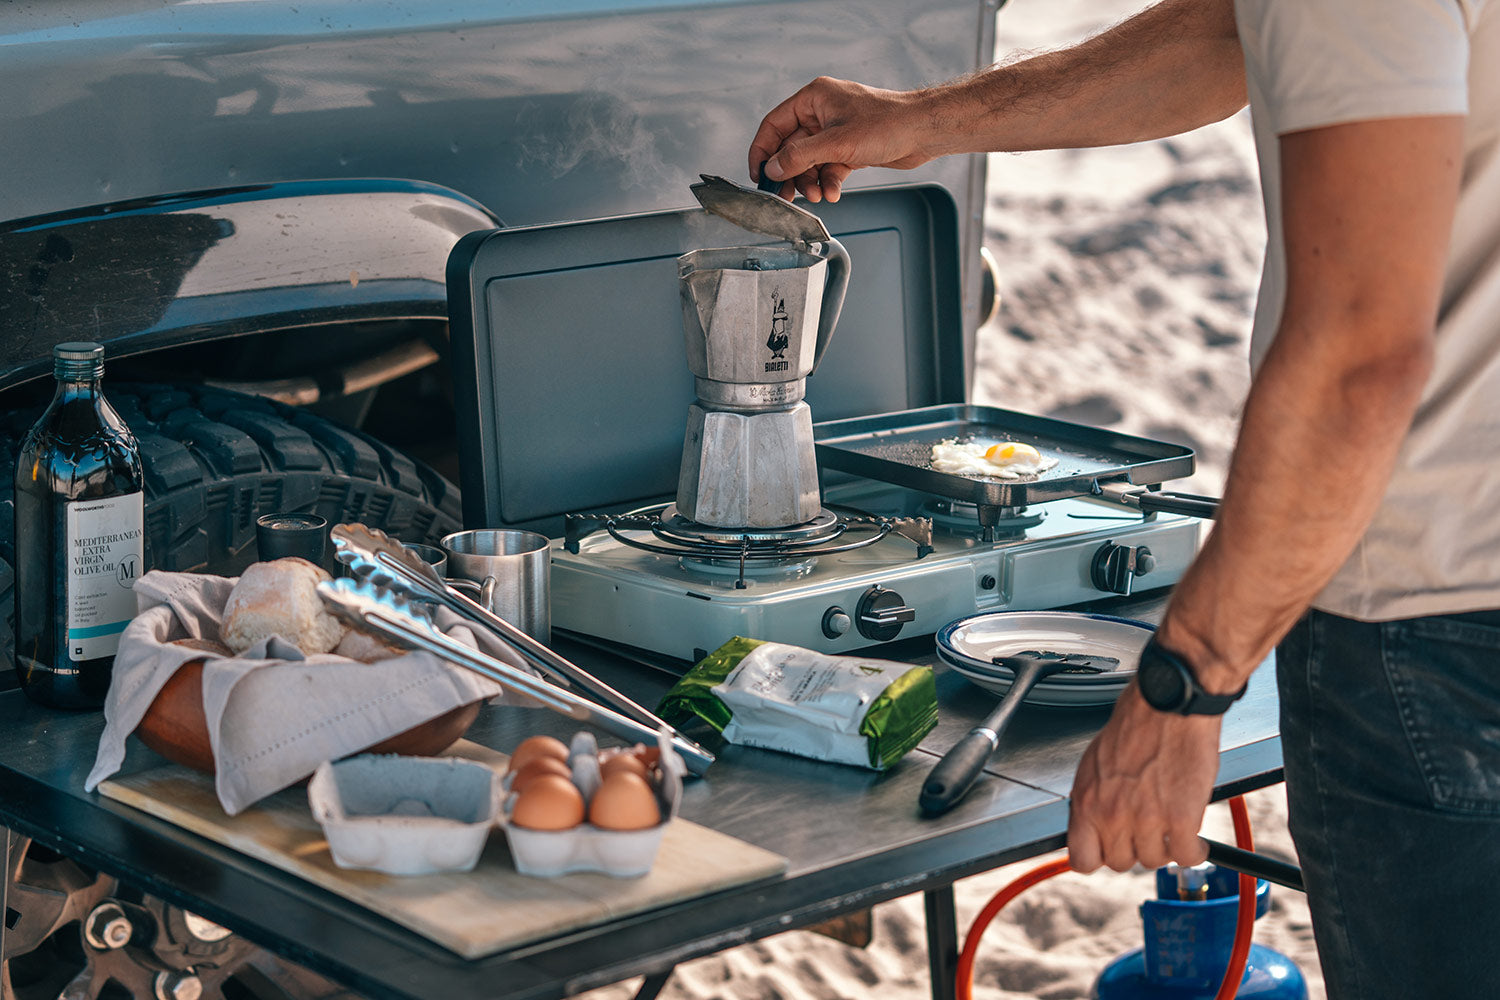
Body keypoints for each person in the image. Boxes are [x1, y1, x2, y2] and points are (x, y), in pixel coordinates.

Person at [749, 1, 1500, 996]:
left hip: (1437, 623)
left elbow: (1360, 356)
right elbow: (1230, 33)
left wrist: (1185, 683)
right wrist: (927, 121)